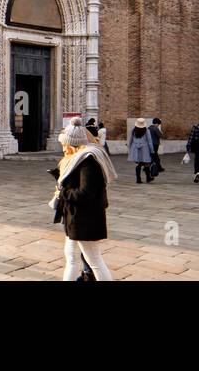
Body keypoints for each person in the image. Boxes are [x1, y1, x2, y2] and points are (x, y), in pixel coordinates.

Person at [50, 120, 116, 281]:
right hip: (75, 217)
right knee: (71, 258)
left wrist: (63, 191)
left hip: (84, 219)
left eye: (65, 144)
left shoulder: (88, 162)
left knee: (94, 261)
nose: (63, 148)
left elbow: (85, 193)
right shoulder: (78, 159)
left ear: (73, 144)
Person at [127, 118, 153, 183]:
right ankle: (148, 178)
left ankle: (138, 179)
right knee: (146, 163)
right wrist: (152, 150)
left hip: (135, 148)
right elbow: (149, 141)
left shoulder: (133, 130)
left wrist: (130, 147)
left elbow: (130, 140)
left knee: (138, 164)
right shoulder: (146, 131)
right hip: (145, 148)